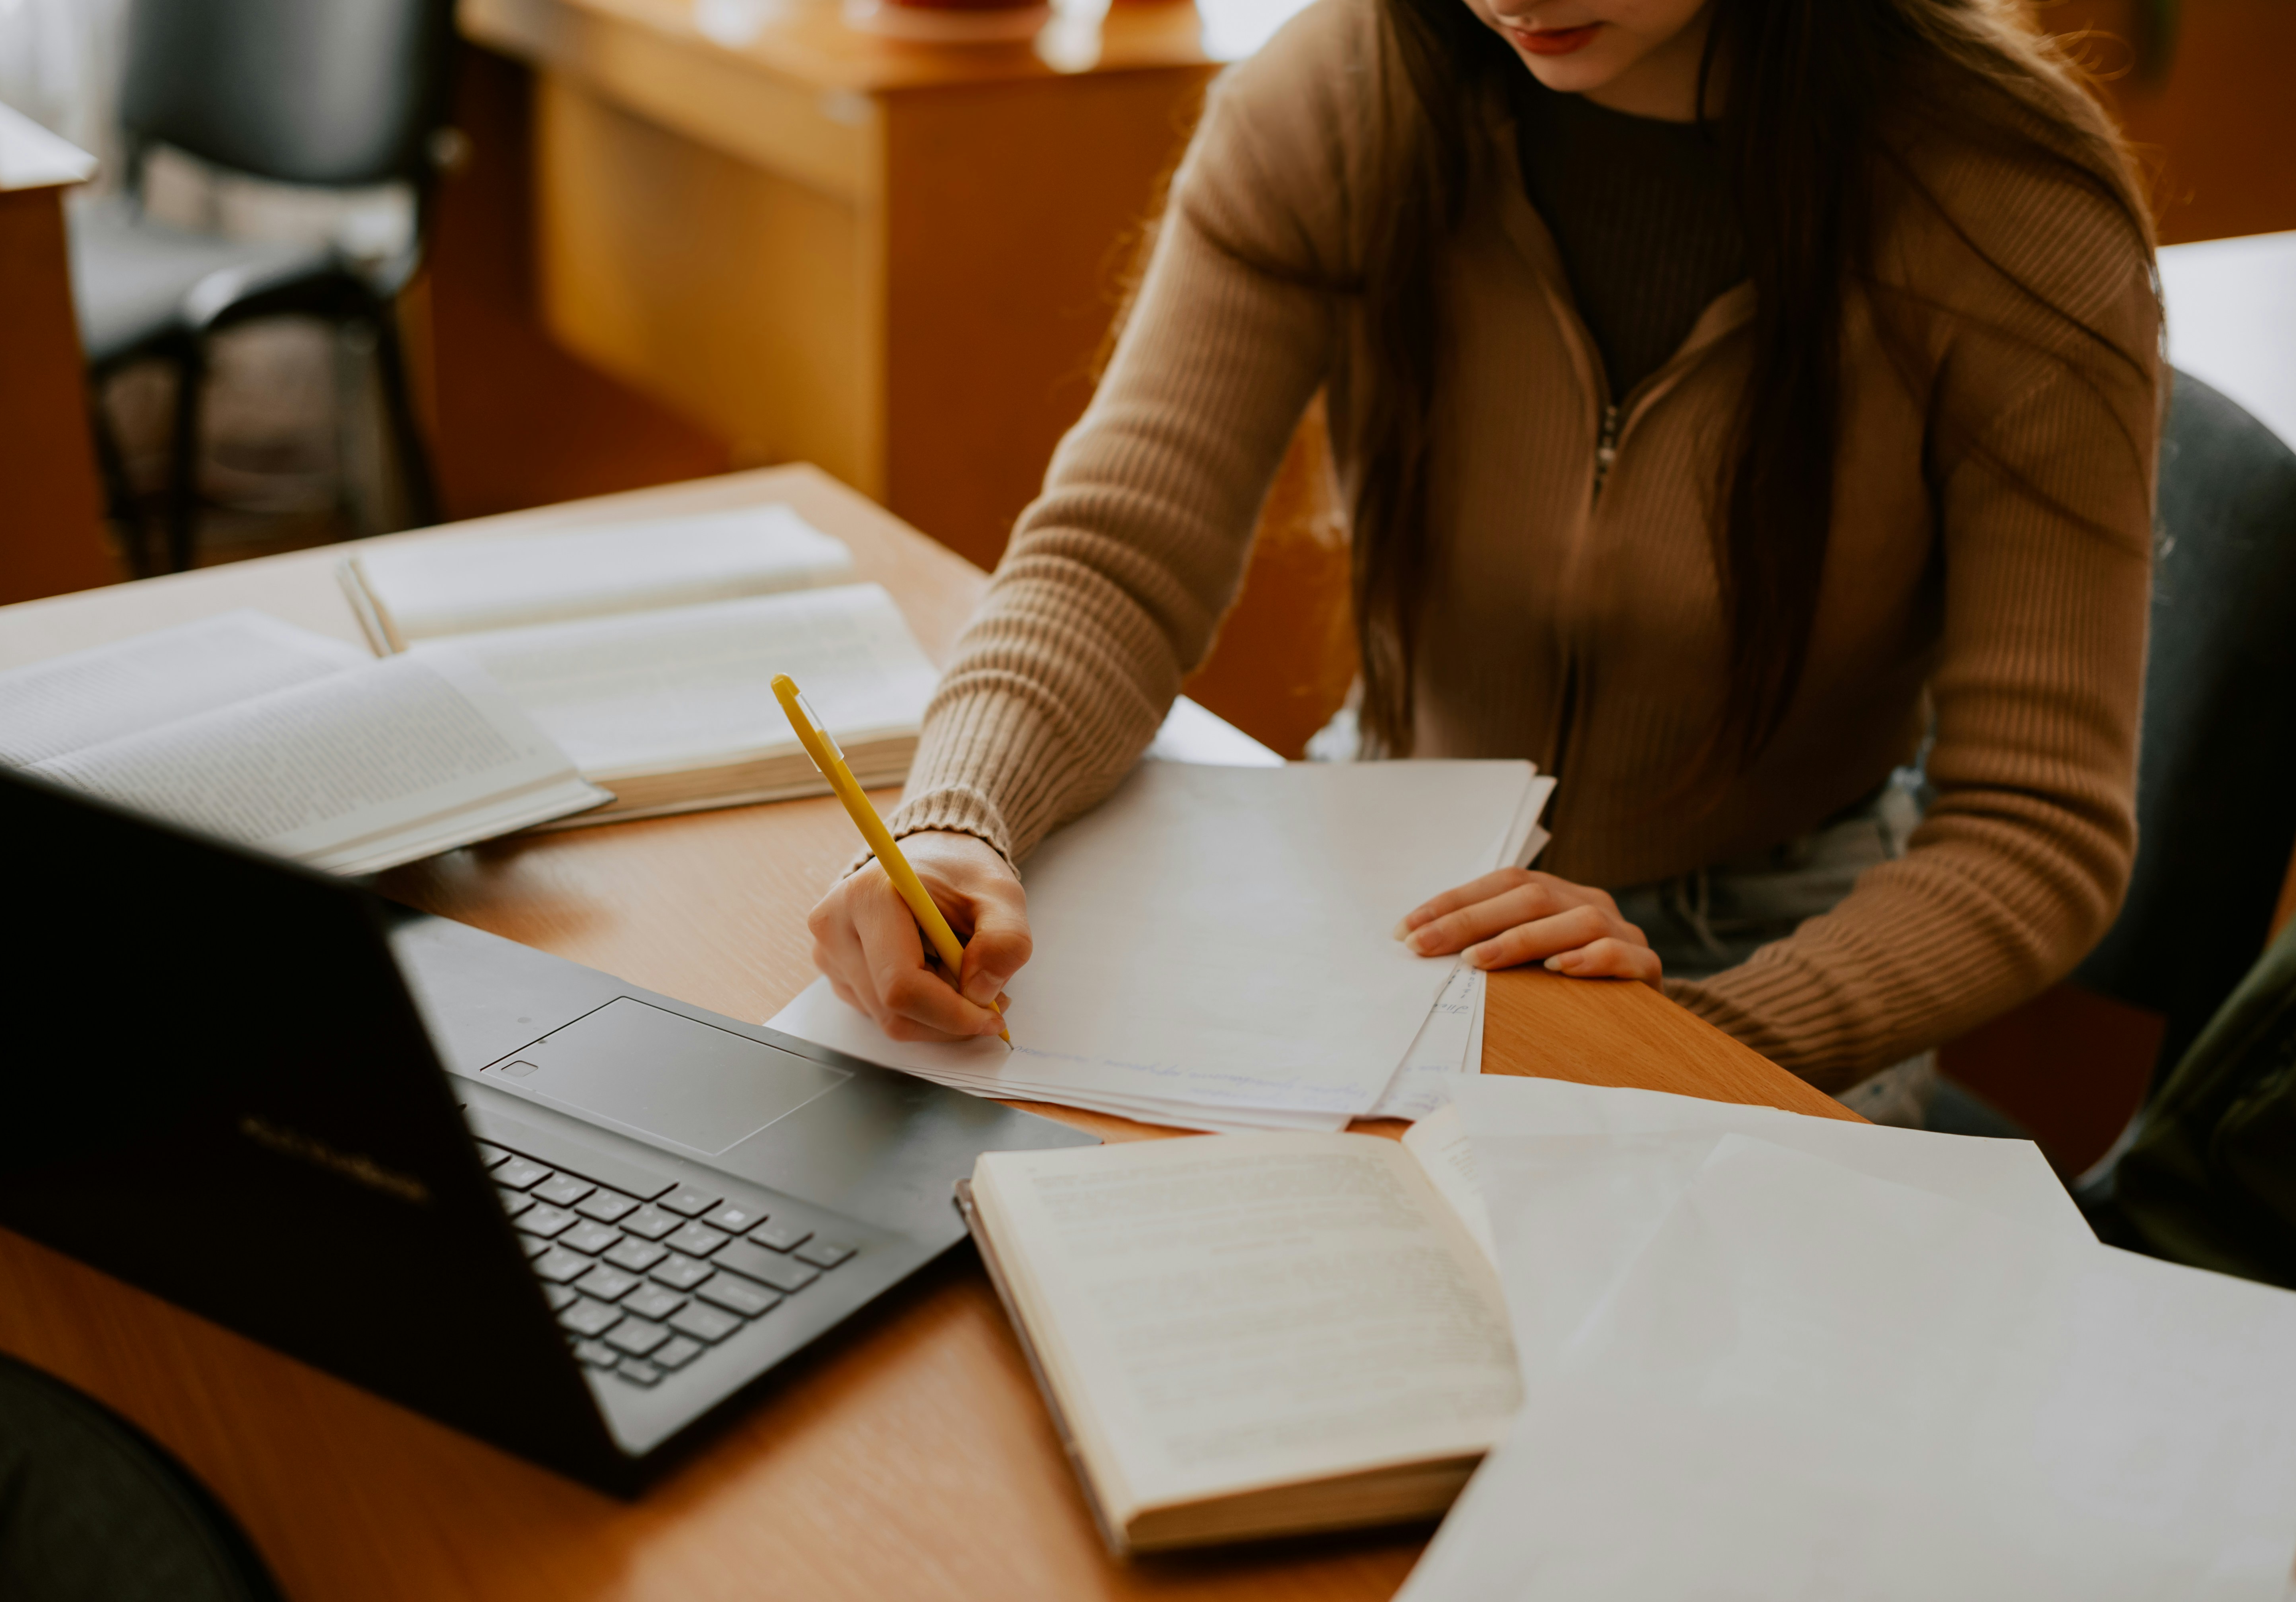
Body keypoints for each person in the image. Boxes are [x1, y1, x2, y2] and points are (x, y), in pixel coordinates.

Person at [807, 0, 2162, 1122]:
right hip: (1394, 870)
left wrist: (1685, 1047)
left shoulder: (2009, 206)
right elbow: (1116, 558)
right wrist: (953, 821)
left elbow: (2035, 829)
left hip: (1782, 940)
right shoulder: (1341, 95)